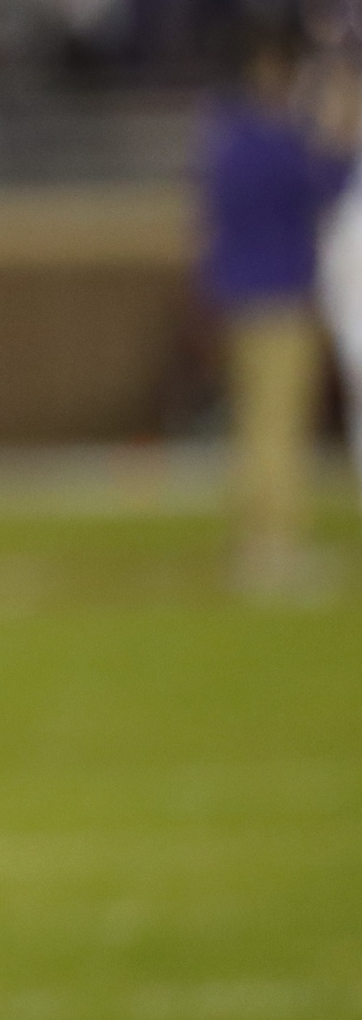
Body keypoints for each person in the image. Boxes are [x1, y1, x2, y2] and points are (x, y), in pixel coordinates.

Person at [202, 34, 344, 600]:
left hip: (238, 295)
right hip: (280, 293)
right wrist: (334, 126)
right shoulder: (278, 141)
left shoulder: (224, 138)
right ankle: (274, 546)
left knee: (255, 420)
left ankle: (256, 539)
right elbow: (330, 182)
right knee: (278, 423)